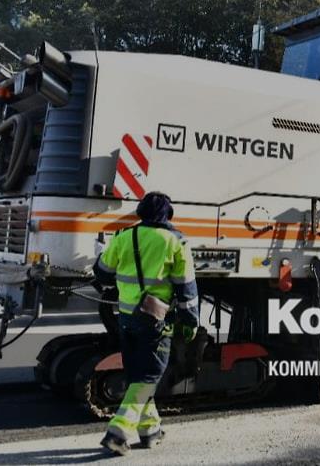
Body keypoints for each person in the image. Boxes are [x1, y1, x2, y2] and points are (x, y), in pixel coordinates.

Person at [94, 191, 198, 455]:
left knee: (137, 376)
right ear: (167, 214)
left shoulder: (123, 236)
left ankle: (150, 431)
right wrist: (191, 321)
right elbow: (186, 287)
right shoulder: (176, 241)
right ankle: (118, 433)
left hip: (126, 318)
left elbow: (102, 273)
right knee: (149, 376)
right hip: (155, 320)